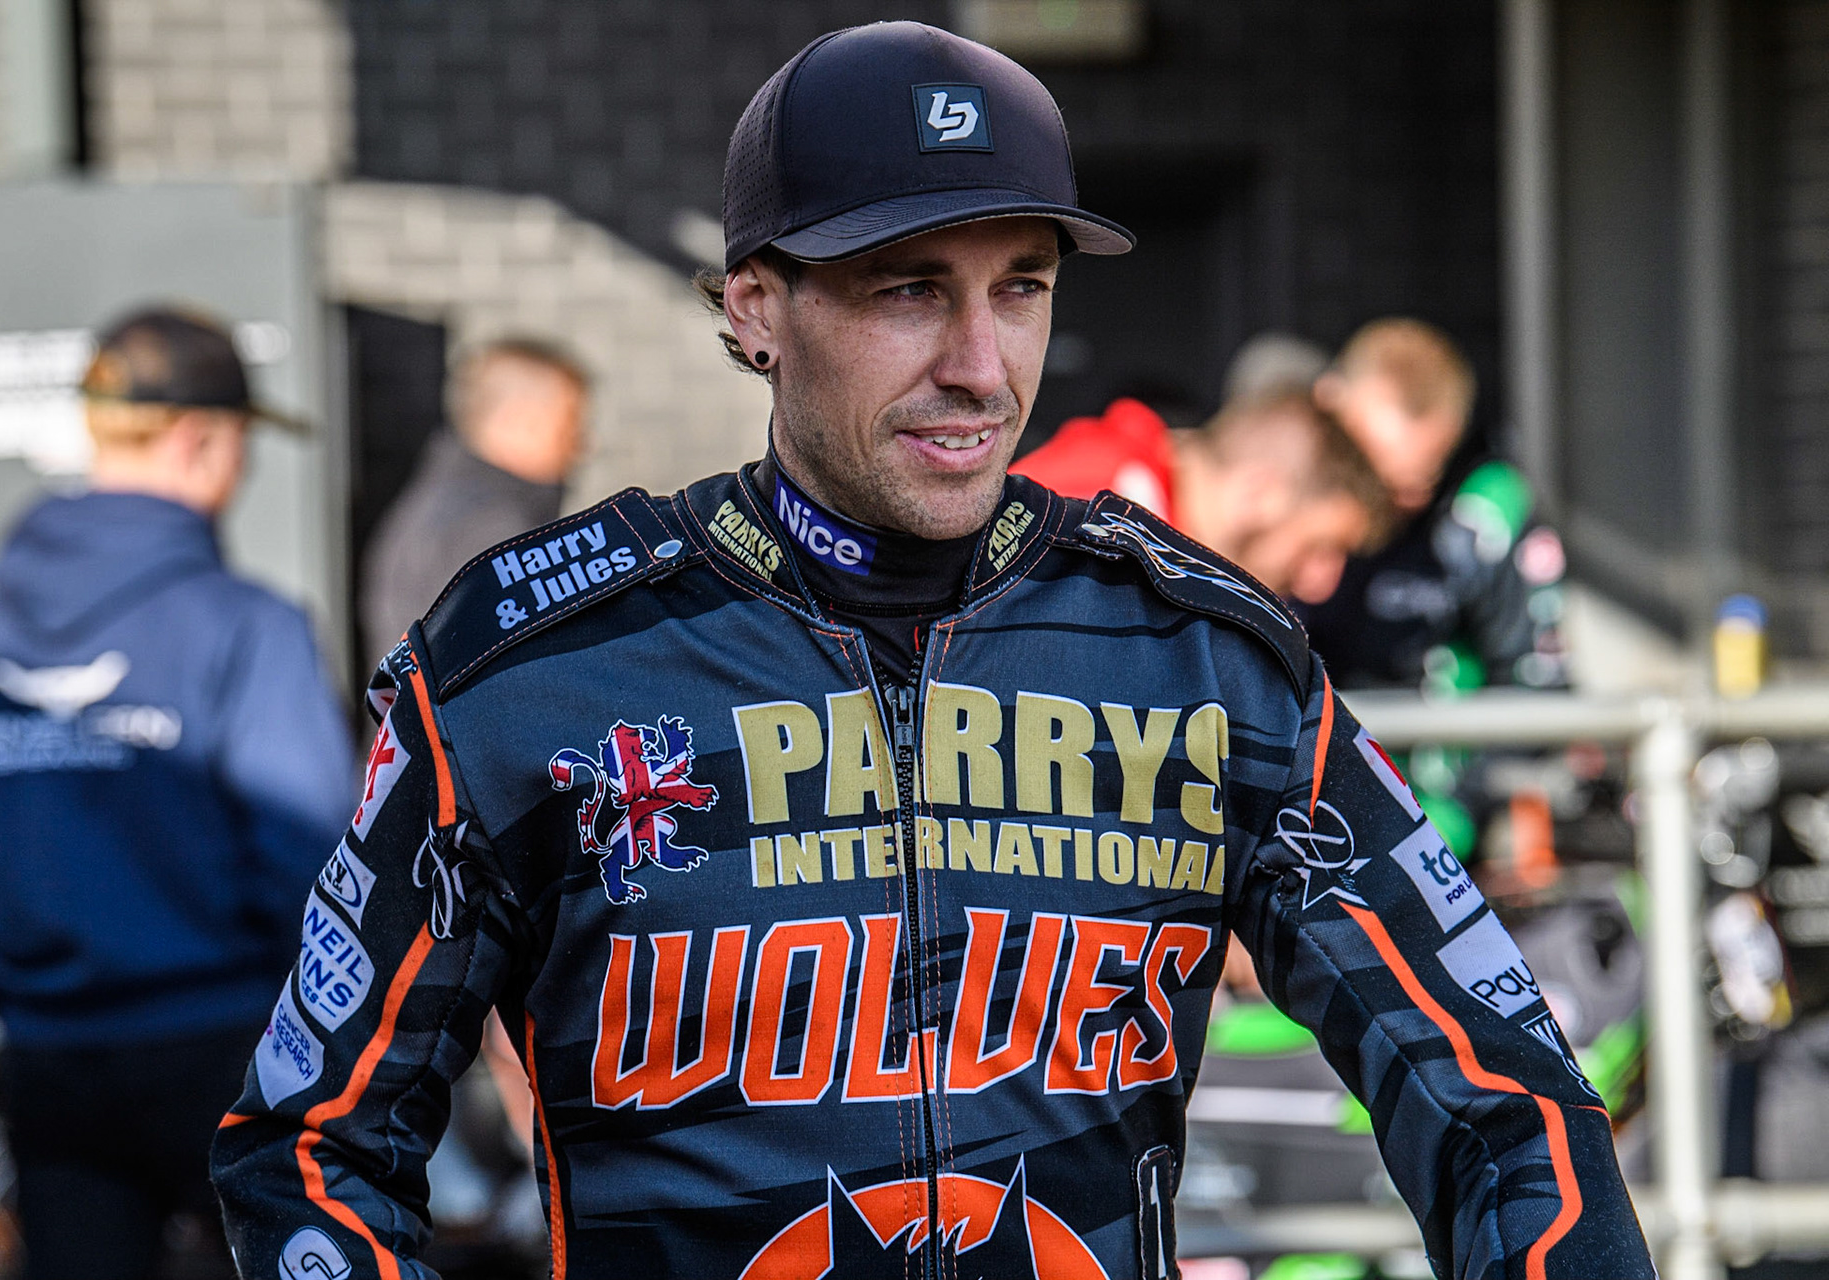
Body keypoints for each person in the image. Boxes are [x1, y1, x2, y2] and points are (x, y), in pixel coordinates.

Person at [212, 22, 1651, 1280]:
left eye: (1019, 286)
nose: (980, 364)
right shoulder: (532, 663)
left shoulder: (1201, 655)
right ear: (754, 306)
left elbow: (1506, 1094)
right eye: (909, 288)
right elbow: (310, 1146)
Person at [0, 307, 354, 1278]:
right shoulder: (247, 627)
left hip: (50, 1060)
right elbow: (324, 865)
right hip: (234, 1050)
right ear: (201, 438)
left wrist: (23, 993)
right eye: (241, 446)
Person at [1303, 317, 1568, 693]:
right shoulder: (1285, 486)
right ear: (1326, 405)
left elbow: (1535, 686)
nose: (1394, 504)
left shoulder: (1484, 512)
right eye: (1370, 477)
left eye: (1422, 479)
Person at [1012, 389, 1391, 605]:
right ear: (1257, 492)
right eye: (1319, 547)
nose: (1321, 585)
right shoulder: (1098, 507)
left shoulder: (1137, 515)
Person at [360, 338, 590, 663]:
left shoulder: (444, 504)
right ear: (519, 419)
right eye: (569, 428)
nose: (581, 448)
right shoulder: (494, 530)